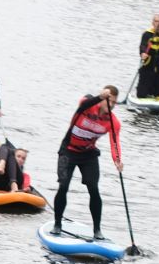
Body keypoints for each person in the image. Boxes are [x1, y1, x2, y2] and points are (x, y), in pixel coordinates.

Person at [51, 87, 121, 241]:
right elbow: (83, 102)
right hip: (68, 151)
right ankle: (57, 224)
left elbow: (114, 143)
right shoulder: (87, 105)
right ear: (103, 99)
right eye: (110, 101)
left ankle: (97, 230)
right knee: (63, 186)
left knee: (94, 189)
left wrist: (117, 160)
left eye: (115, 103)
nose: (112, 105)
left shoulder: (113, 122)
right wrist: (99, 97)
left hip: (88, 154)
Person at [135, 9, 159, 100]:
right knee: (144, 84)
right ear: (153, 23)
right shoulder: (147, 34)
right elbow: (143, 45)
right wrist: (142, 53)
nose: (158, 23)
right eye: (156, 21)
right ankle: (143, 95)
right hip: (148, 63)